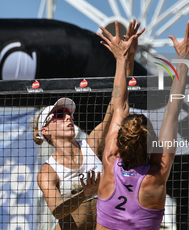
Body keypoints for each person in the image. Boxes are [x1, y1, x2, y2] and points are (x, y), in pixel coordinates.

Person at [96, 20, 189, 230]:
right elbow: (172, 112)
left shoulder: (110, 161)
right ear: (152, 146)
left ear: (119, 144)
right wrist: (183, 60)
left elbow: (119, 103)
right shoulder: (155, 178)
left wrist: (122, 58)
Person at [32, 19, 145, 230]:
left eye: (68, 114)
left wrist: (126, 58)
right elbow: (57, 210)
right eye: (59, 115)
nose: (67, 117)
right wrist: (85, 194)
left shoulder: (91, 145)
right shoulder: (48, 171)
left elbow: (117, 102)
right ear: (45, 130)